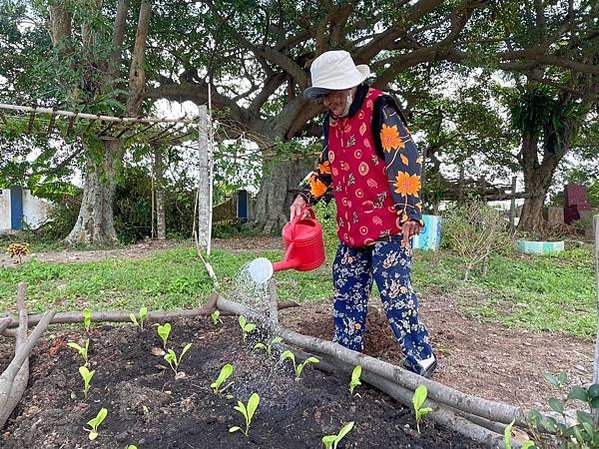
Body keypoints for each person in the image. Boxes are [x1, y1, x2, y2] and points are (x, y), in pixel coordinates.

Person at [290, 50, 436, 378]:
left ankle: (421, 359)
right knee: (346, 286)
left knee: (395, 293)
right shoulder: (332, 122)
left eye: (330, 94)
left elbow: (404, 155)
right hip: (352, 225)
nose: (327, 102)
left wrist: (410, 210)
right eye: (322, 96)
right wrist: (305, 196)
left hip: (388, 223)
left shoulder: (379, 107)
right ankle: (346, 353)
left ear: (348, 86)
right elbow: (327, 164)